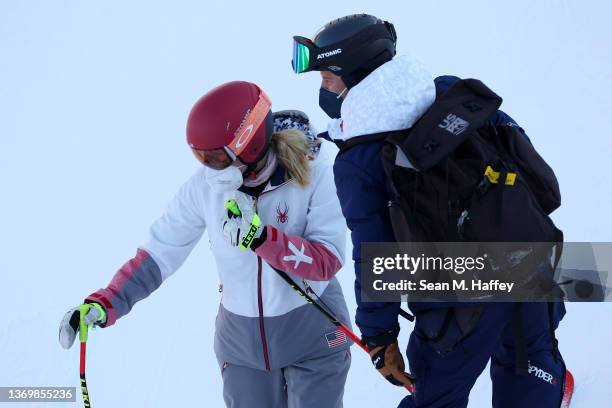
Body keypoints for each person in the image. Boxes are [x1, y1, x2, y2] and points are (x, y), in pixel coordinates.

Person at [292, 14, 568, 408]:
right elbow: (524, 160)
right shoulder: (451, 91)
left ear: (355, 72)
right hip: (531, 253)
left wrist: (380, 336)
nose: (323, 89)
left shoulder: (359, 158)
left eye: (326, 78)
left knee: (435, 396)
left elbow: (374, 254)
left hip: (460, 296)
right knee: (532, 360)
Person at [58, 81, 352, 408]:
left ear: (248, 144)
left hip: (313, 334)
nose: (209, 169)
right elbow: (159, 251)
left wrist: (263, 239)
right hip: (243, 346)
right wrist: (108, 301)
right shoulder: (206, 188)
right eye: (202, 157)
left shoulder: (317, 171)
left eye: (215, 157)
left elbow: (327, 260)